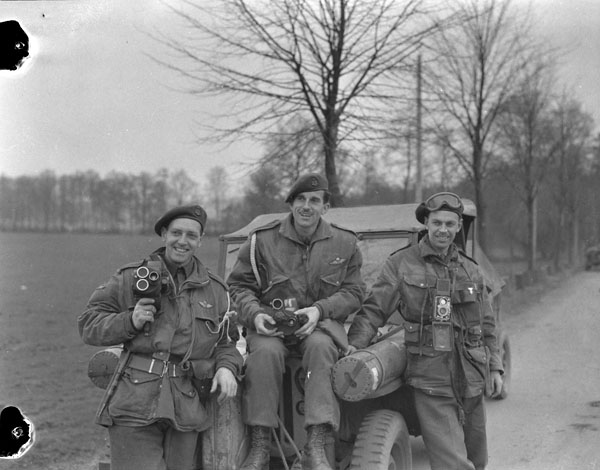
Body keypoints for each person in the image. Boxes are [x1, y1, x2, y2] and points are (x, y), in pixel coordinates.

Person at [78, 204, 243, 470]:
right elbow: (88, 324)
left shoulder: (215, 290)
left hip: (186, 404)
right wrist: (129, 320)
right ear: (164, 234)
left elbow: (227, 342)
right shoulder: (131, 278)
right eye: (176, 233)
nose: (183, 241)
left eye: (191, 235)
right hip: (135, 399)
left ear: (200, 241)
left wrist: (226, 367)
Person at [347, 192, 504, 470]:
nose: (443, 230)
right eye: (436, 223)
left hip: (472, 376)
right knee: (452, 463)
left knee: (477, 459)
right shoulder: (401, 264)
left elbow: (487, 325)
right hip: (431, 377)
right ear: (426, 225)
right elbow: (374, 310)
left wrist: (495, 368)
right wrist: (354, 347)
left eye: (449, 224)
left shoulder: (471, 270)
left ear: (457, 227)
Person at [227, 173, 365, 470]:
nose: (306, 206)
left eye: (314, 200)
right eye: (300, 200)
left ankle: (316, 444)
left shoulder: (345, 242)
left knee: (320, 348)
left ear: (325, 207)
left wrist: (320, 310)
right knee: (264, 353)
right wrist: (256, 314)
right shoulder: (260, 241)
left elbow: (354, 292)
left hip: (320, 326)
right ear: (290, 204)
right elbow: (239, 286)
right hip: (271, 325)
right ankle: (261, 444)